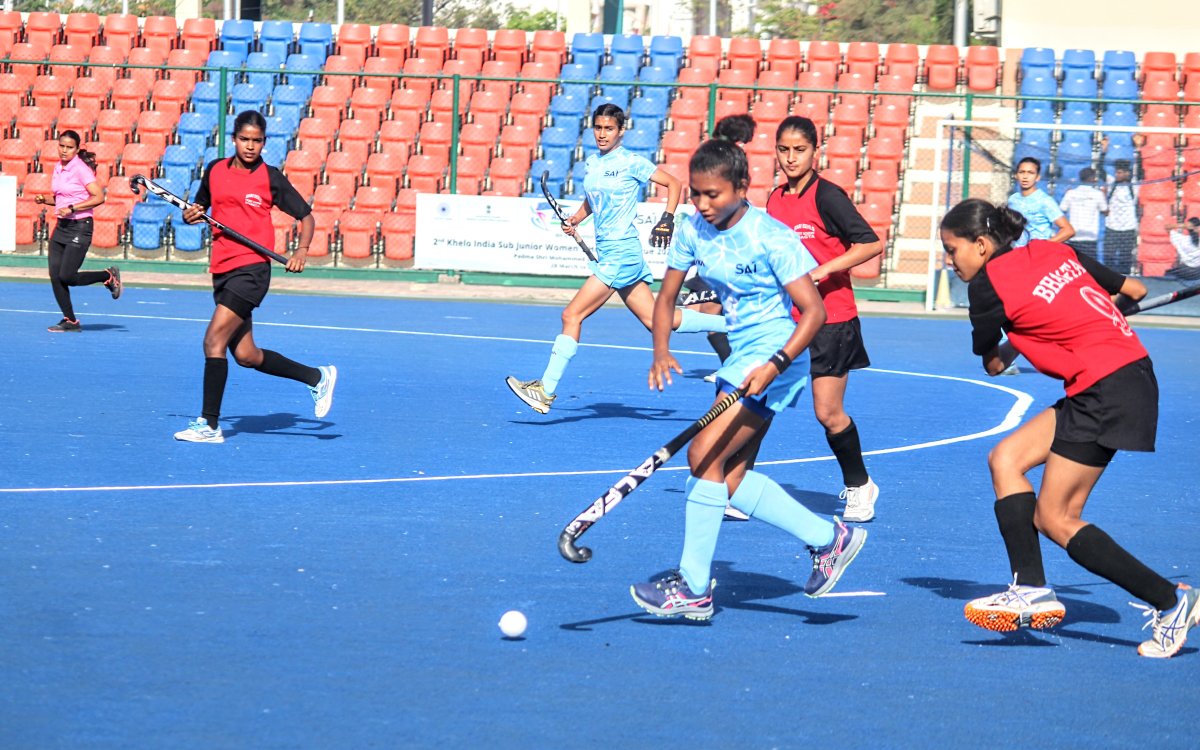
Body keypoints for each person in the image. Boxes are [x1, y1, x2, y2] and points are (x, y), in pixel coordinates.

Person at [940, 198, 1198, 659]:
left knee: (1055, 517)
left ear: (980, 245)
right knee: (1006, 459)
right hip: (1117, 377)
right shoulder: (1053, 251)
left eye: (952, 250)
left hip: (1107, 388)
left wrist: (1021, 338)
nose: (949, 260)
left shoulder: (985, 287)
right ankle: (1031, 586)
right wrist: (1101, 312)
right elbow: (1134, 291)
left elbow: (994, 363)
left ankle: (1171, 601)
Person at [630, 138, 867, 620]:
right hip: (743, 354)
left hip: (780, 353)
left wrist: (776, 364)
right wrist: (660, 350)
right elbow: (667, 295)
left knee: (702, 454)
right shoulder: (693, 228)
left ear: (742, 187)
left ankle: (693, 588)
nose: (701, 204)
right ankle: (830, 538)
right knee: (730, 477)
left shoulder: (772, 236)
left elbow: (815, 312)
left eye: (712, 195)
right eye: (695, 193)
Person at [505, 104, 726, 414]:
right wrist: (577, 219)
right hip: (613, 253)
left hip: (621, 254)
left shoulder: (631, 162)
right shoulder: (592, 163)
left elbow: (675, 184)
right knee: (657, 320)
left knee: (572, 315)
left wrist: (667, 219)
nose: (602, 134)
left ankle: (546, 390)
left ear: (621, 131)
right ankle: (734, 325)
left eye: (609, 128)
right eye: (598, 128)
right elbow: (594, 200)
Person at [173, 110, 337, 444]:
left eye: (257, 141)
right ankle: (317, 377)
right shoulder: (215, 170)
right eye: (245, 139)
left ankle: (210, 425)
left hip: (251, 270)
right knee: (246, 355)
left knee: (212, 341)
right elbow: (201, 208)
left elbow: (307, 217)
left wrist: (301, 251)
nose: (250, 146)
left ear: (264, 143)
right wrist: (191, 215)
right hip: (221, 268)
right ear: (234, 139)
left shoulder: (270, 177)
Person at [764, 115, 884, 522]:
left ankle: (860, 486)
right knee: (756, 399)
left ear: (816, 152)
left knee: (828, 413)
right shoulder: (775, 199)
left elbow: (870, 243)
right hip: (788, 321)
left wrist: (821, 270)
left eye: (800, 150)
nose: (791, 157)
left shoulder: (828, 196)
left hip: (832, 319)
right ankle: (737, 484)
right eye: (784, 150)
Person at [684, 114, 756, 384]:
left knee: (712, 319)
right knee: (710, 317)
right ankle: (736, 365)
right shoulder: (733, 160)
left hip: (725, 250)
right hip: (721, 248)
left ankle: (738, 367)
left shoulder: (718, 158)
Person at [33, 130, 121, 332]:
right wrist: (44, 199)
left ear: (76, 149)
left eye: (69, 147)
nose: (64, 150)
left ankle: (107, 275)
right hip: (62, 226)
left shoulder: (81, 169)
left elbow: (99, 197)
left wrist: (73, 208)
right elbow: (62, 198)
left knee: (67, 276)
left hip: (80, 226)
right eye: (61, 146)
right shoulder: (58, 167)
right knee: (55, 276)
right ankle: (70, 321)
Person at [1007, 157, 1075, 245]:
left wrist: (1043, 246)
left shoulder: (1045, 201)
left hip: (1035, 256)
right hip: (1015, 254)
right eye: (1021, 172)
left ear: (1037, 177)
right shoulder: (1013, 199)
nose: (1025, 177)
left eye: (1030, 173)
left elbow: (1068, 230)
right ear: (1016, 175)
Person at [1058, 167, 1107, 261]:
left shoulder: (1071, 193)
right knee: (1091, 269)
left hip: (1074, 236)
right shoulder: (1098, 194)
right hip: (1090, 238)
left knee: (1074, 265)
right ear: (1092, 178)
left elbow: (1061, 210)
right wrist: (1104, 195)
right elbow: (1105, 210)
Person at [1103, 159, 1139, 275]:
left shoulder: (1134, 186)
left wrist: (1138, 149)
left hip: (1128, 228)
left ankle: (1126, 279)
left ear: (1127, 173)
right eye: (1116, 172)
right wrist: (1103, 153)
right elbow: (1100, 171)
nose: (1116, 175)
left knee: (1125, 257)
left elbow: (1141, 172)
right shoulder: (1111, 183)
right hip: (1112, 227)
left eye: (1119, 173)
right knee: (1109, 256)